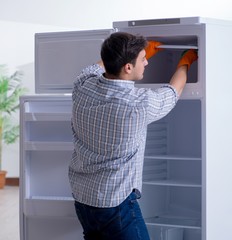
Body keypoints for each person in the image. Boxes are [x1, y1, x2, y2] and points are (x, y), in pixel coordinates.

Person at [68, 32, 197, 240]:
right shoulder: (139, 105)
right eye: (143, 59)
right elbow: (174, 90)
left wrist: (129, 53)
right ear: (128, 67)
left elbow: (97, 66)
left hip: (83, 200)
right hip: (116, 206)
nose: (147, 62)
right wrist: (186, 61)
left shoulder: (82, 86)